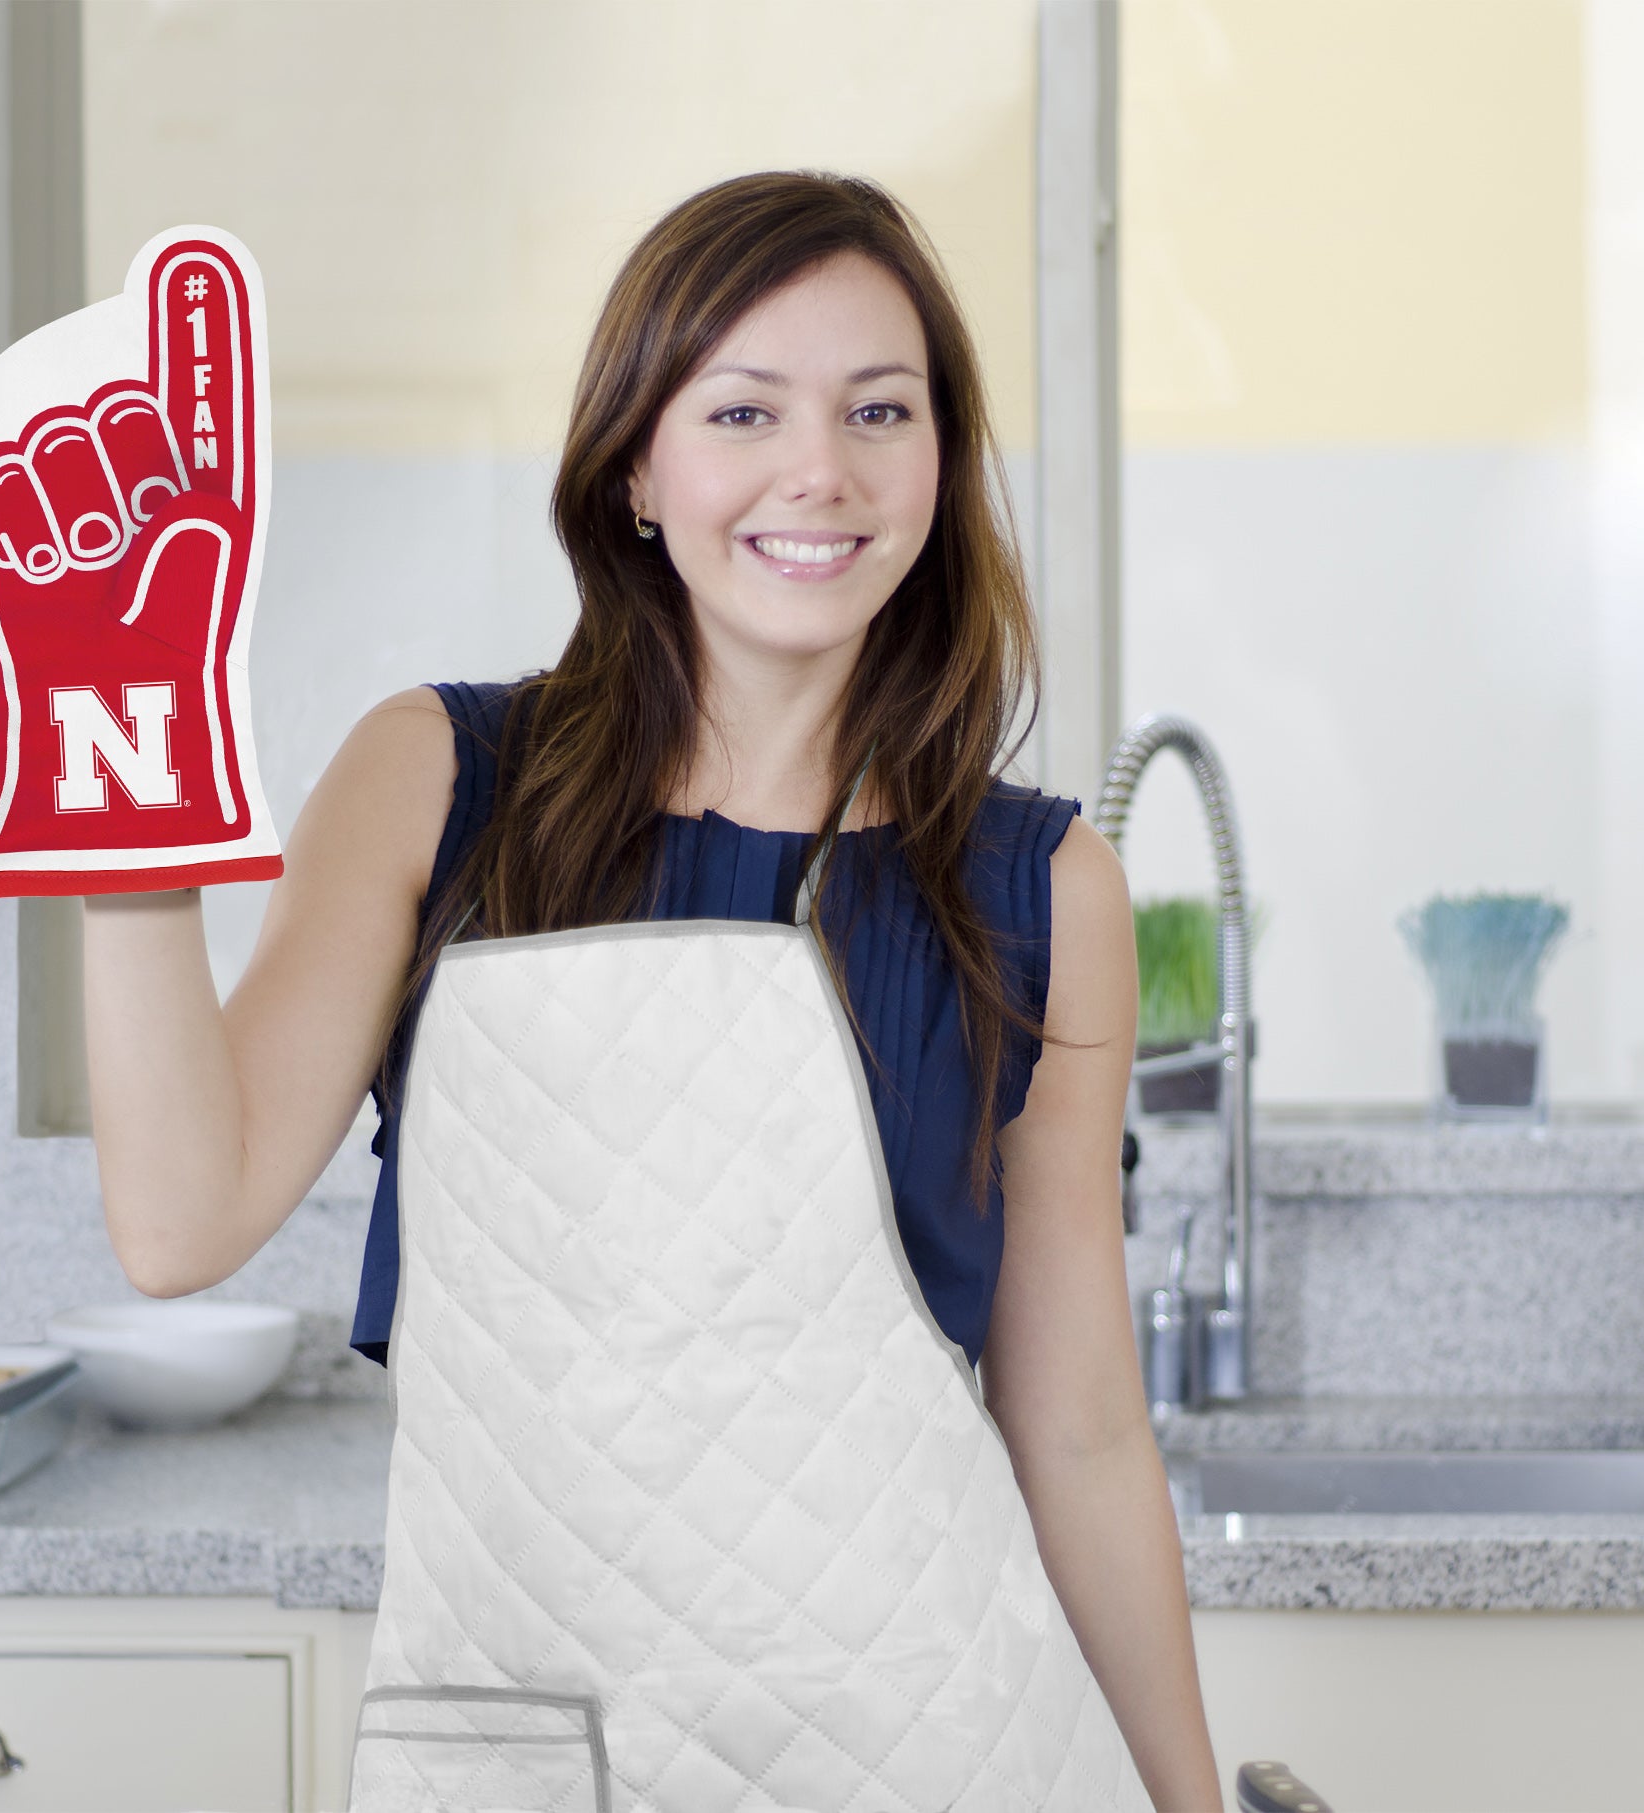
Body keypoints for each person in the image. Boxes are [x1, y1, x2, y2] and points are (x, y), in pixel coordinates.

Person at [81, 170, 1223, 1810]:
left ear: (941, 464)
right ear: (636, 466)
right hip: (527, 1746)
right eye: (742, 409)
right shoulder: (439, 781)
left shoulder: (1042, 891)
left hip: (935, 1749)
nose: (817, 471)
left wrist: (1189, 1805)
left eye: (878, 410)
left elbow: (1086, 1430)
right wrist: (120, 811)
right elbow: (180, 1219)